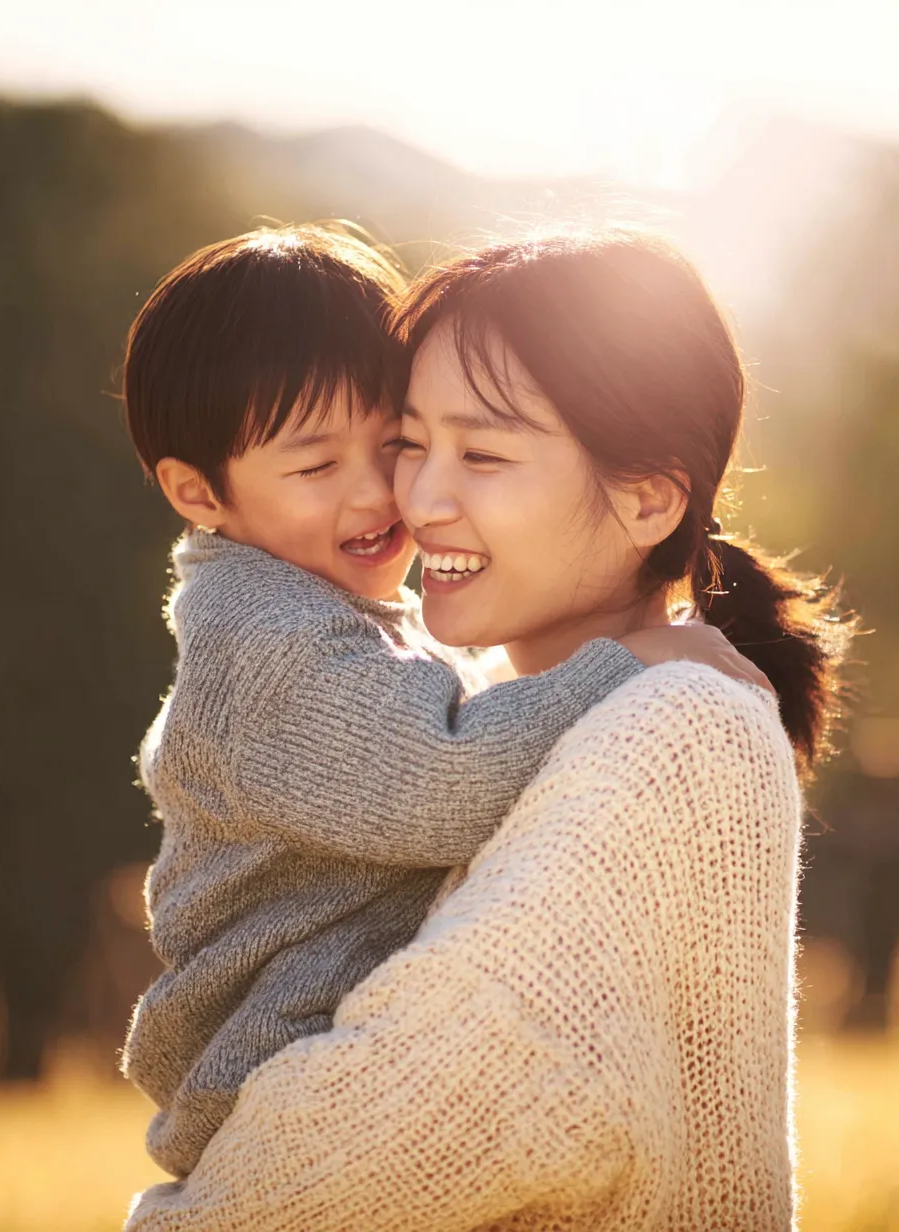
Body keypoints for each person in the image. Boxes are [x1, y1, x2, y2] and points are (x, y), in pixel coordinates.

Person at [125, 230, 849, 1232]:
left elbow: (404, 1110)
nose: (408, 497)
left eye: (481, 451)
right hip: (251, 1048)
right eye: (417, 439)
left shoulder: (673, 723)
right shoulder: (532, 692)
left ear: (647, 496)